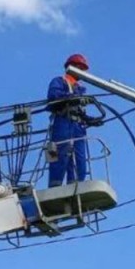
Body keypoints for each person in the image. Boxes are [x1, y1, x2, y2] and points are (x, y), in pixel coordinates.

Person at [46, 53, 101, 187]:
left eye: (83, 69)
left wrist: (90, 120)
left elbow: (80, 112)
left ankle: (75, 186)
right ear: (72, 67)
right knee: (60, 155)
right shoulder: (60, 81)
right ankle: (55, 187)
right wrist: (73, 96)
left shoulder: (79, 89)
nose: (82, 72)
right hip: (63, 123)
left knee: (79, 160)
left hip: (77, 127)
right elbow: (54, 96)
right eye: (80, 68)